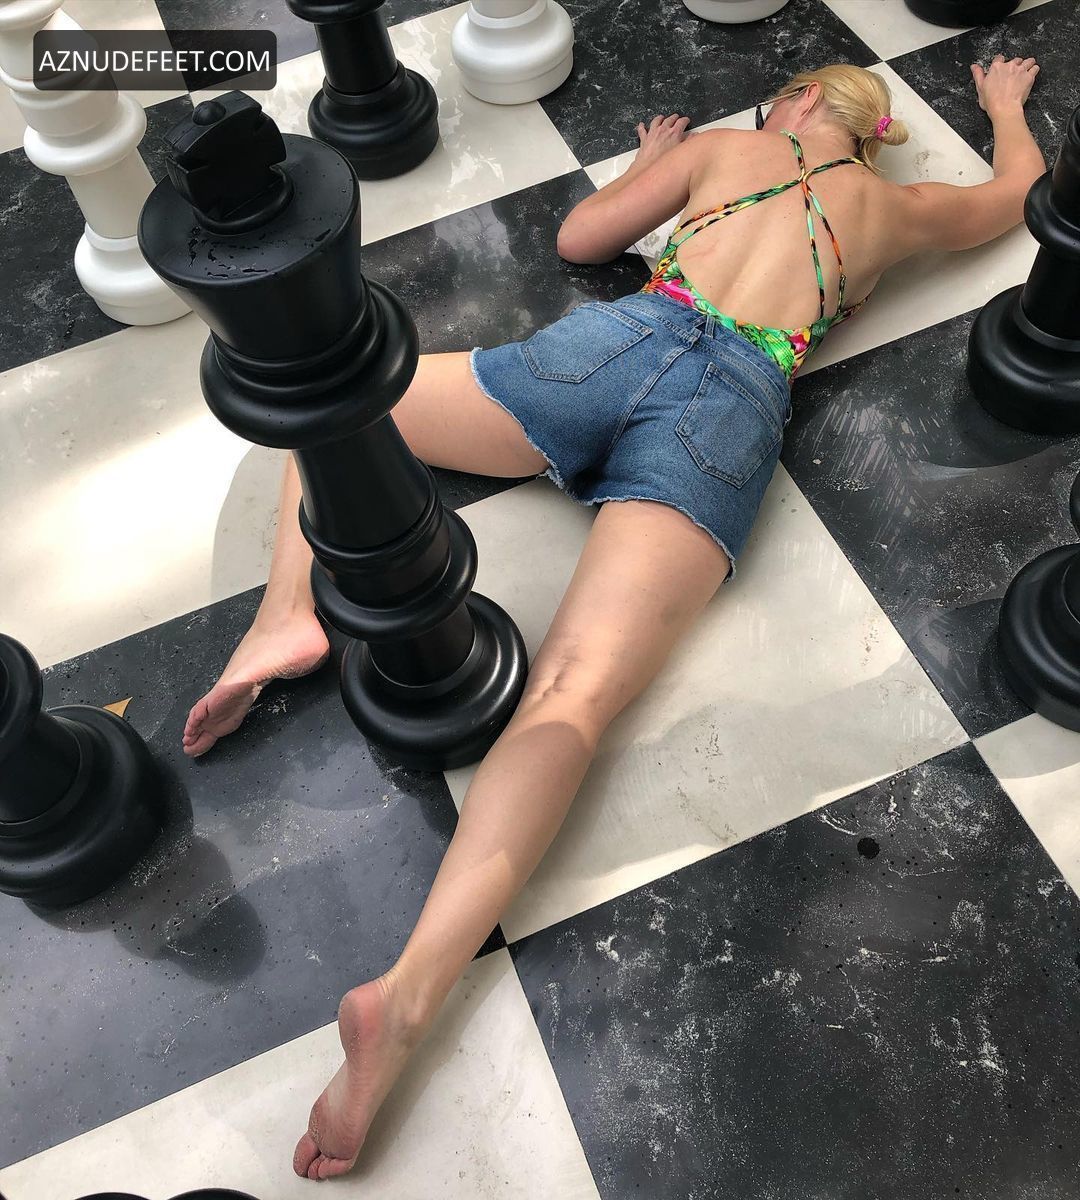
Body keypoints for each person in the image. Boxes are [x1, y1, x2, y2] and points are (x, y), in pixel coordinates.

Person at [189, 57, 1042, 1178]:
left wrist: (653, 165)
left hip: (615, 346)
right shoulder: (896, 209)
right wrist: (1005, 107)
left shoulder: (728, 149)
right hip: (730, 411)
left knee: (335, 400)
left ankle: (285, 618)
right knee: (572, 697)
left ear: (792, 103)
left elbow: (581, 239)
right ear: (871, 132)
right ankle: (410, 996)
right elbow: (1016, 197)